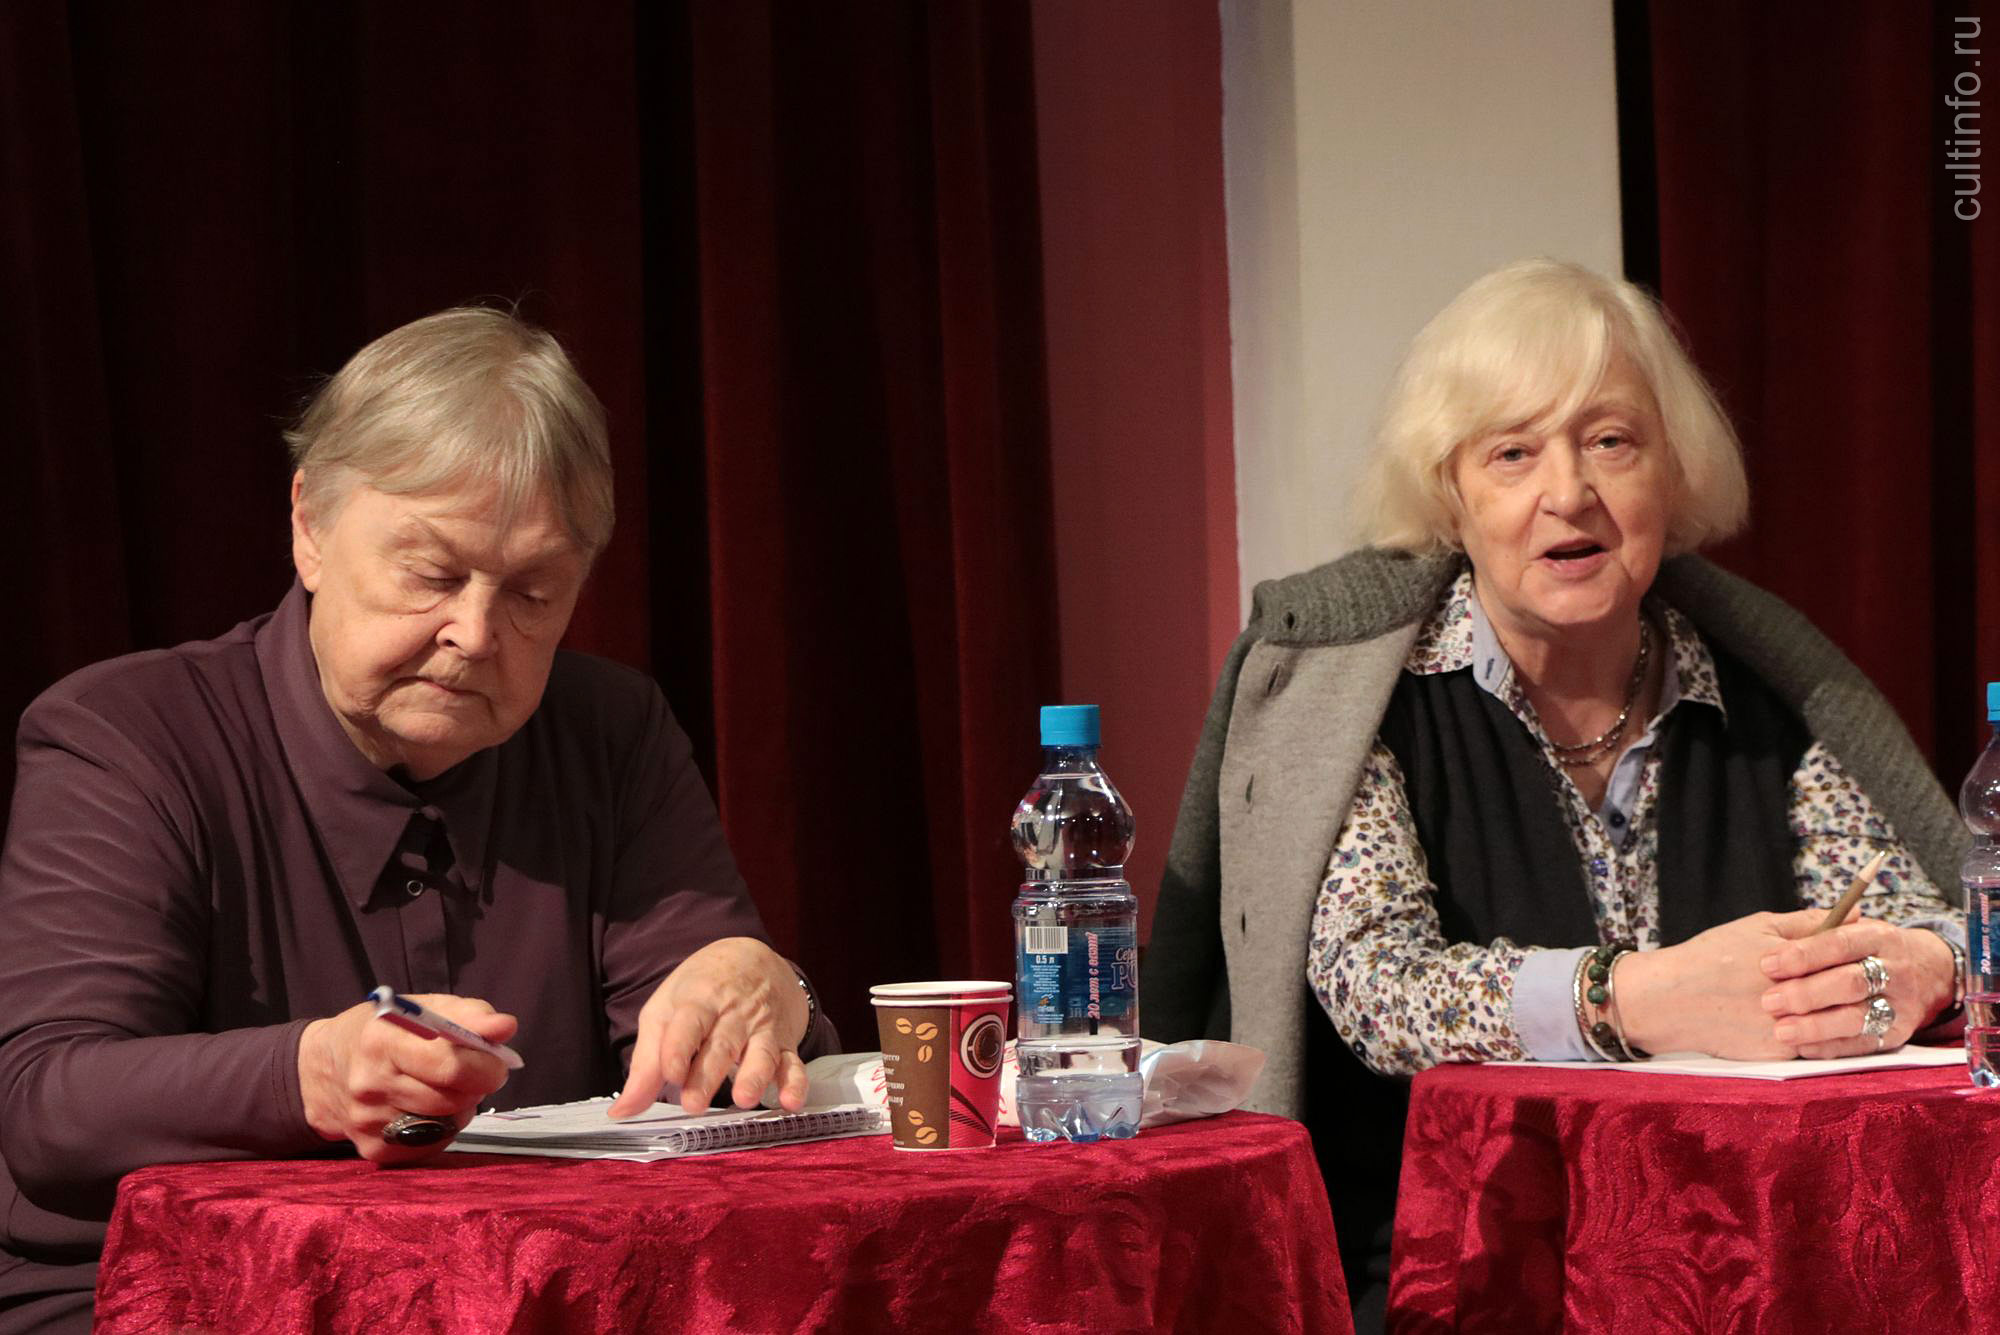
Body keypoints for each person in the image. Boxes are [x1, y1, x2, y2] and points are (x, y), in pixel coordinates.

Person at [1141, 259, 1966, 1328]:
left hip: (1746, 1276)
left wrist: (1925, 966)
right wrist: (1636, 996)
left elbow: (1944, 917)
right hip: (1447, 1281)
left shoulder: (1771, 693)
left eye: (1610, 442)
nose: (1568, 493)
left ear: (1671, 472)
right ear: (1451, 495)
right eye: (1512, 453)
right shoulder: (1364, 705)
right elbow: (1377, 986)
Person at [0, 307, 836, 1333]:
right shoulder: (124, 734)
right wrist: (311, 1075)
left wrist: (768, 989)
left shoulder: (611, 733)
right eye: (432, 574)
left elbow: (705, 1076)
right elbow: (50, 1101)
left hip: (533, 1301)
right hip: (170, 1302)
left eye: (532, 592)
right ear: (309, 526)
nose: (475, 634)